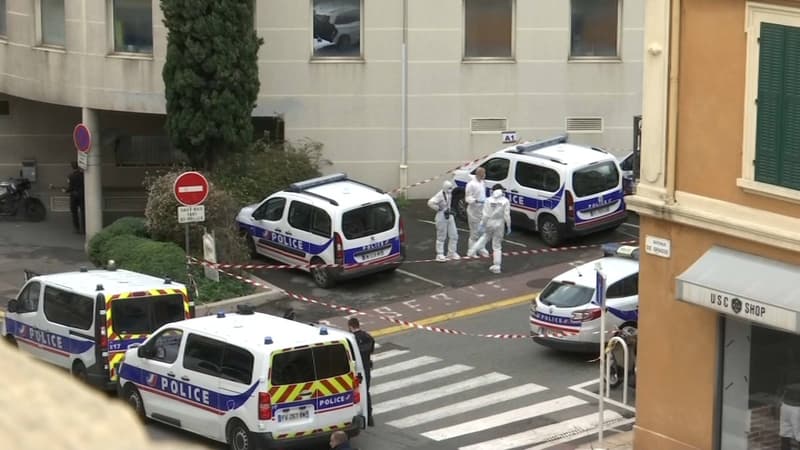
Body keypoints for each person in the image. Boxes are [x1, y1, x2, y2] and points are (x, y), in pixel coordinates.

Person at [467, 184, 511, 274]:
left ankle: (472, 250)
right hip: (500, 224)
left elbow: (485, 215)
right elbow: (507, 215)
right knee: (497, 246)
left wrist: (481, 225)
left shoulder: (488, 200)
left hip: (489, 222)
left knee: (485, 237)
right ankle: (497, 266)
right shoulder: (505, 201)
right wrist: (509, 226)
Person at [348, 317, 375, 427]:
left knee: (355, 393)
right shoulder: (368, 337)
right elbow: (371, 350)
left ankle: (356, 416)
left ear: (350, 326)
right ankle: (369, 417)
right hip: (366, 369)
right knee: (366, 392)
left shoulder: (352, 339)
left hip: (356, 371)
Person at [427, 179, 459, 262]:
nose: (450, 189)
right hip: (441, 215)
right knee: (441, 236)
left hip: (449, 214)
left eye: (451, 188)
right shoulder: (440, 195)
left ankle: (451, 252)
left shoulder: (450, 193)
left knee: (454, 235)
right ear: (445, 188)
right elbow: (430, 202)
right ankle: (440, 254)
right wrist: (438, 208)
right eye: (448, 188)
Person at [464, 167, 489, 257]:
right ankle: (471, 251)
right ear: (479, 174)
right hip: (473, 212)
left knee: (482, 231)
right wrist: (475, 201)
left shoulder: (482, 183)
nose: (485, 175)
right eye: (484, 173)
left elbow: (483, 195)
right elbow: (467, 198)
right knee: (474, 233)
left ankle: (481, 248)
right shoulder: (471, 184)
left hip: (482, 211)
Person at [64, 161, 85, 234]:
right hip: (82, 195)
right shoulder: (83, 175)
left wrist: (65, 191)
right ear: (78, 166)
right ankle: (84, 229)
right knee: (83, 212)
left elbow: (70, 187)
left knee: (74, 213)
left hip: (74, 196)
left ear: (72, 167)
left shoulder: (70, 176)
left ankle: (77, 229)